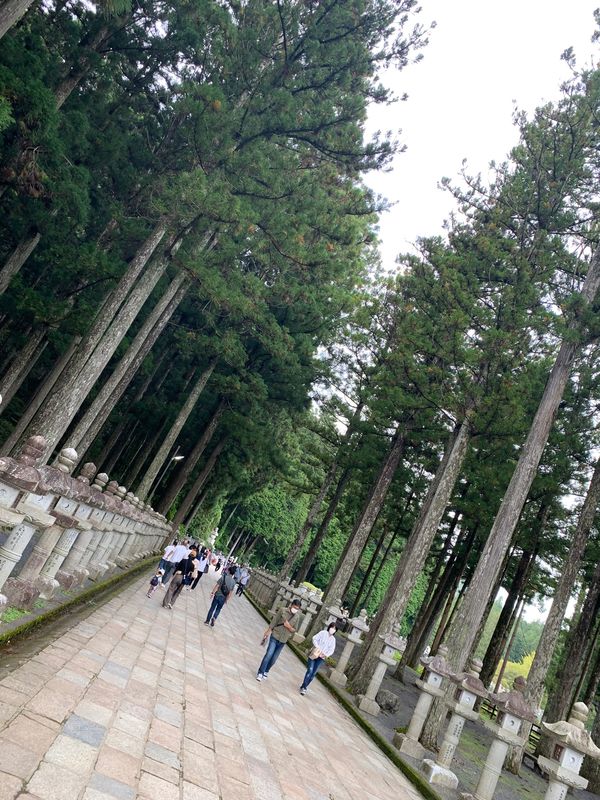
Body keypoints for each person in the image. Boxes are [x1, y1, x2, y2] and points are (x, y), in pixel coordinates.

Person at [256, 598, 302, 682]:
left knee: (274, 658)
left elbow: (294, 630)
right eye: (295, 607)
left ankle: (266, 670)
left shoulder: (297, 617)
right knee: (269, 654)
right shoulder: (282, 610)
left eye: (297, 609)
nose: (295, 609)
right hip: (275, 635)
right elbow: (274, 621)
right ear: (291, 605)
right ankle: (260, 672)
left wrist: (289, 627)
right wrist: (268, 631)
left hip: (283, 640)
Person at [300, 623, 337, 695]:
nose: (333, 629)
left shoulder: (333, 640)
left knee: (313, 673)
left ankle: (304, 685)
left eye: (334, 629)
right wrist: (317, 647)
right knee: (310, 670)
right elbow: (314, 638)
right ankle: (304, 688)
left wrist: (325, 654)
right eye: (332, 627)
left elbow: (331, 650)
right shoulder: (323, 633)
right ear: (329, 627)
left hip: (321, 658)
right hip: (314, 654)